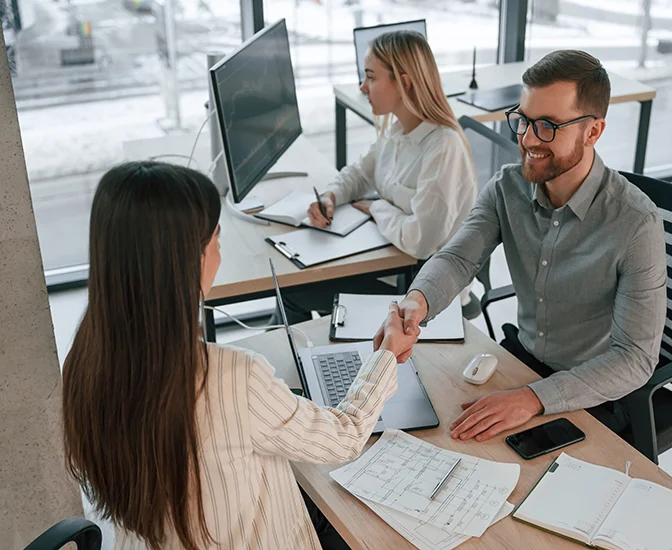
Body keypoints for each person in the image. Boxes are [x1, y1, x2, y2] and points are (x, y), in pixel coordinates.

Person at [61, 161, 419, 550]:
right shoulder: (231, 378)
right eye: (215, 237)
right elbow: (344, 438)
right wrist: (385, 355)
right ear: (188, 260)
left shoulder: (84, 363)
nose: (219, 248)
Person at [374, 50, 667, 443]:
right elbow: (459, 258)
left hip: (592, 392)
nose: (528, 139)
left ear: (593, 131)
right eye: (523, 120)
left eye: (547, 125)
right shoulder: (507, 187)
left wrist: (531, 398)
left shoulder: (635, 224)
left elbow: (634, 358)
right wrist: (416, 303)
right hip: (523, 361)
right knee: (432, 429)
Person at [280, 30, 476, 323]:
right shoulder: (398, 130)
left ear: (405, 83)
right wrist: (330, 196)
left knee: (291, 293)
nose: (362, 87)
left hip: (421, 293)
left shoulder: (443, 147)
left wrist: (376, 208)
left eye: (371, 77)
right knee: (296, 278)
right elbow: (360, 173)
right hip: (393, 267)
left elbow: (420, 240)